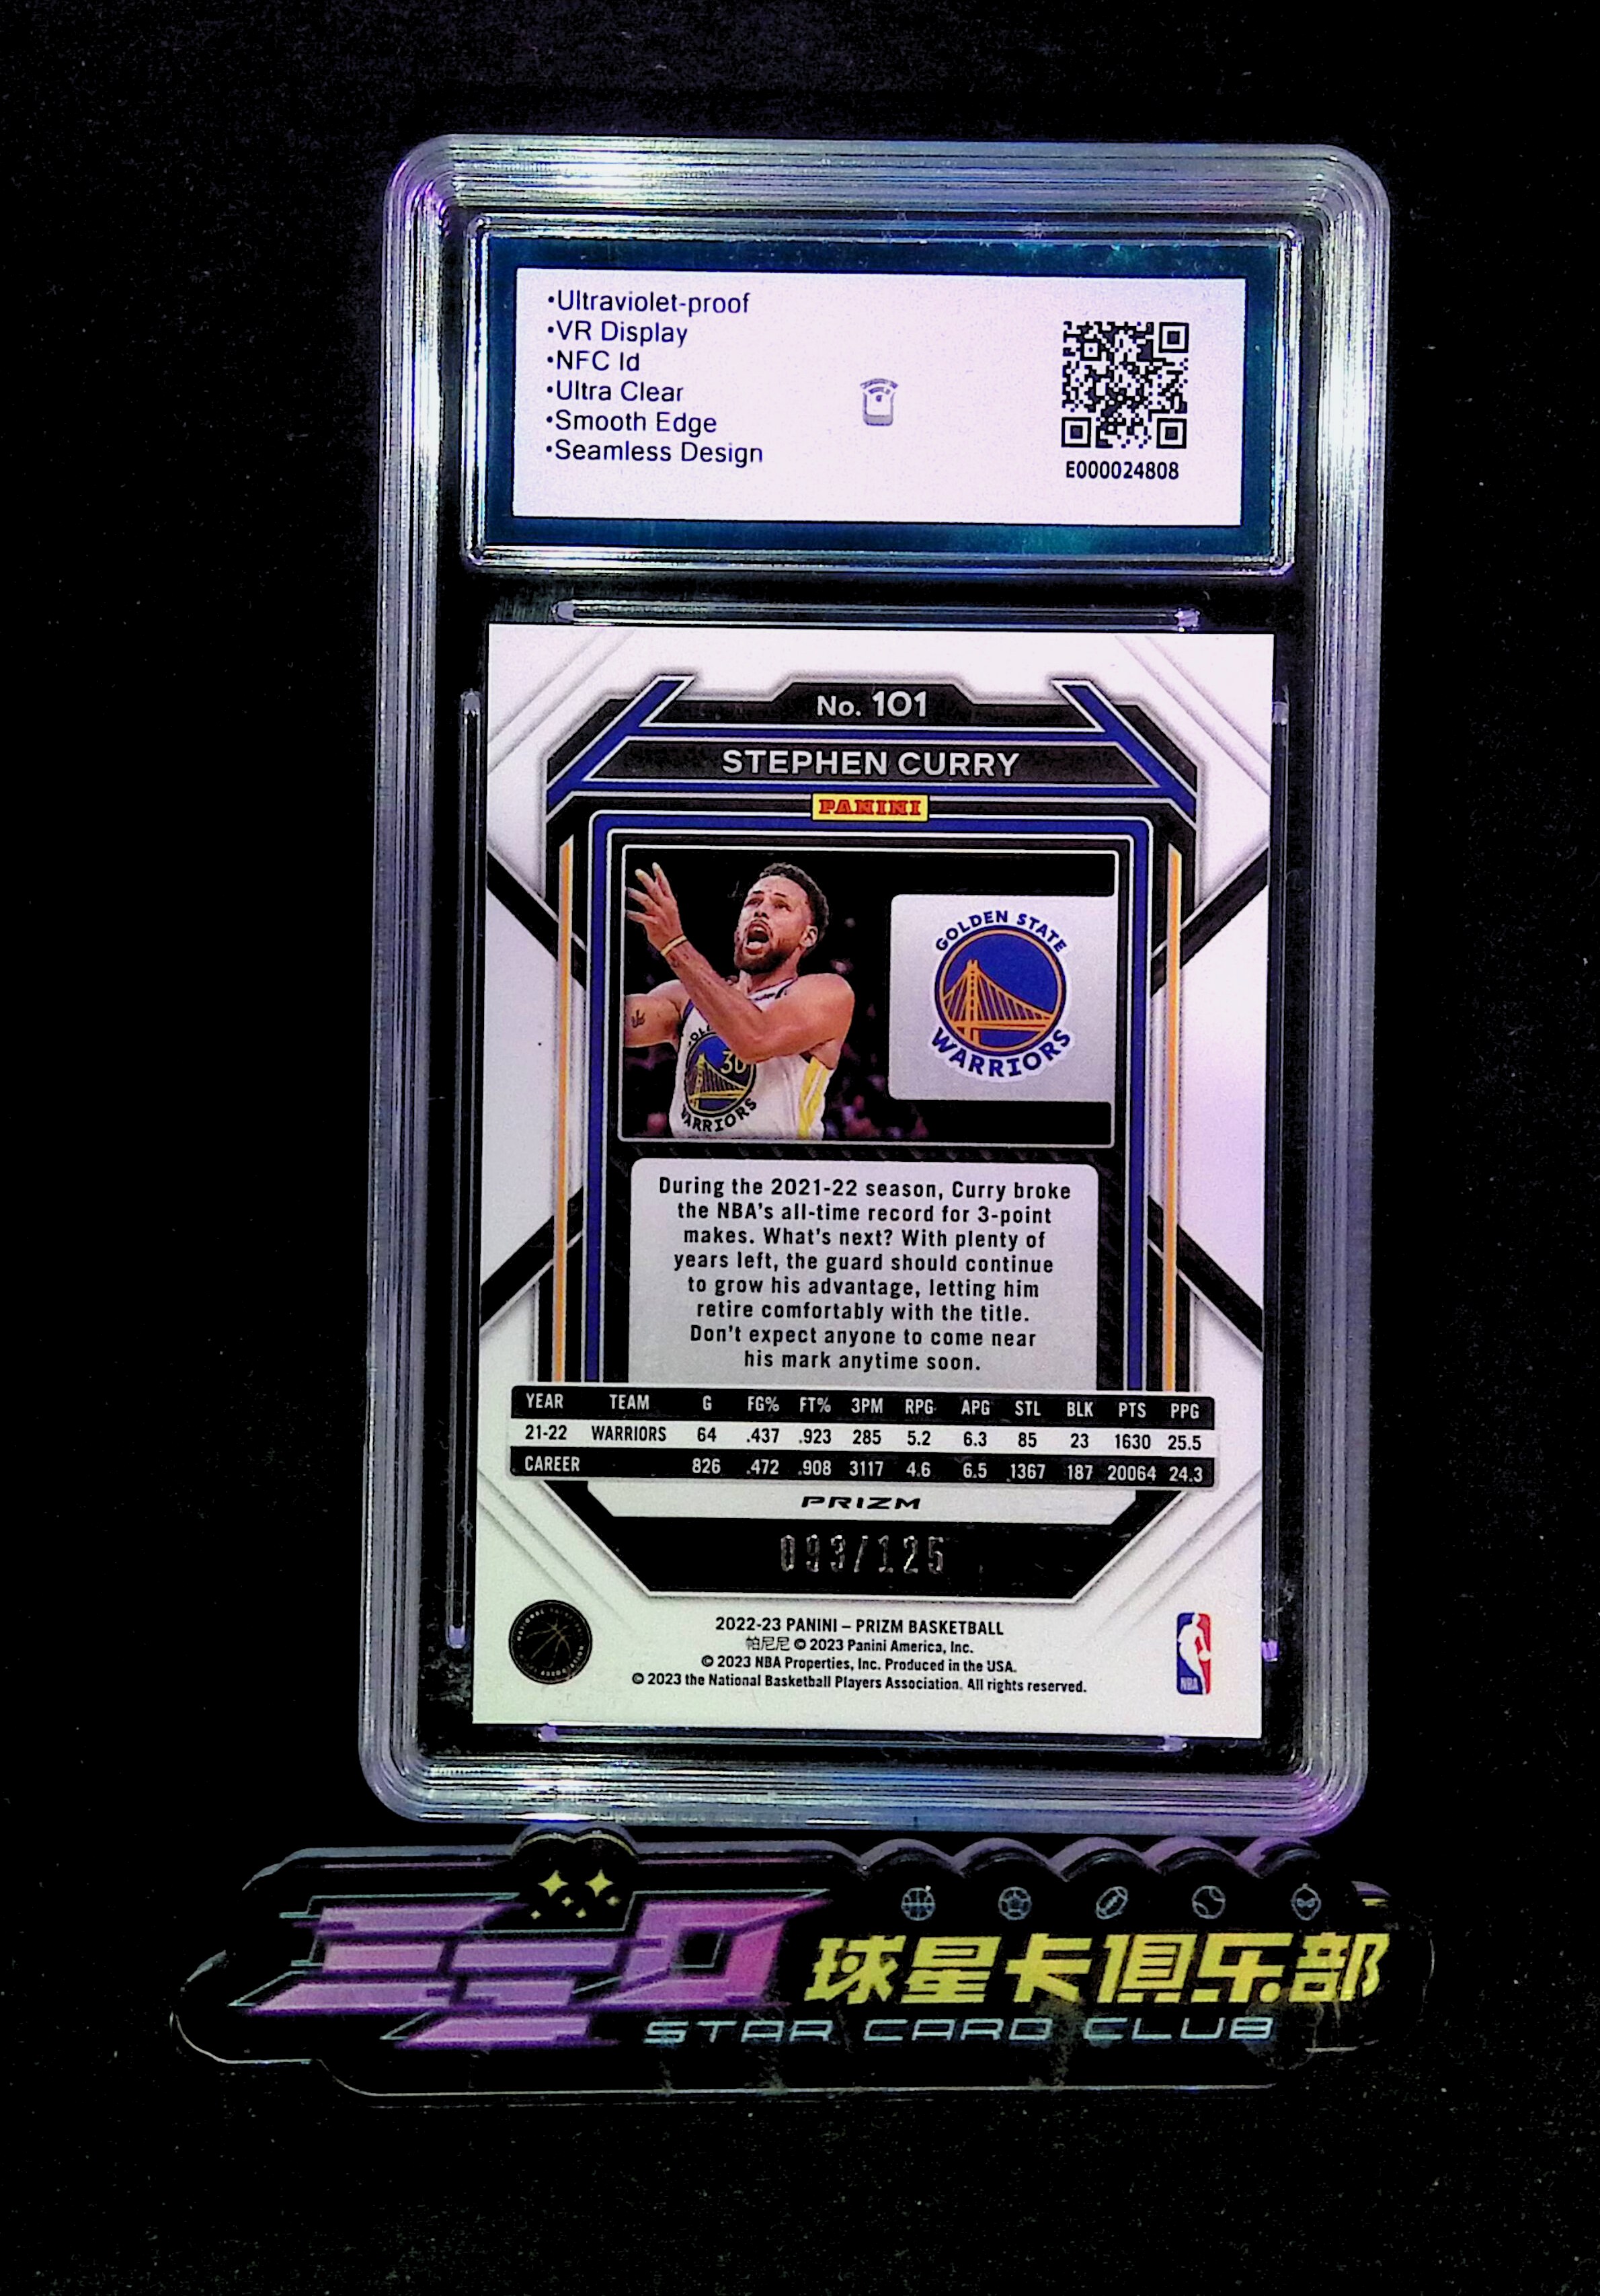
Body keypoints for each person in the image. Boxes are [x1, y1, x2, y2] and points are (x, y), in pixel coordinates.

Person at [624, 861, 854, 1140]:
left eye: (781, 906)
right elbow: (599, 1023)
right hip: (689, 1167)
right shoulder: (685, 998)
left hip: (775, 1166)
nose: (761, 910)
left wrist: (674, 945)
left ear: (807, 936)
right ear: (737, 930)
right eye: (753, 902)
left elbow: (755, 1040)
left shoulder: (827, 992)